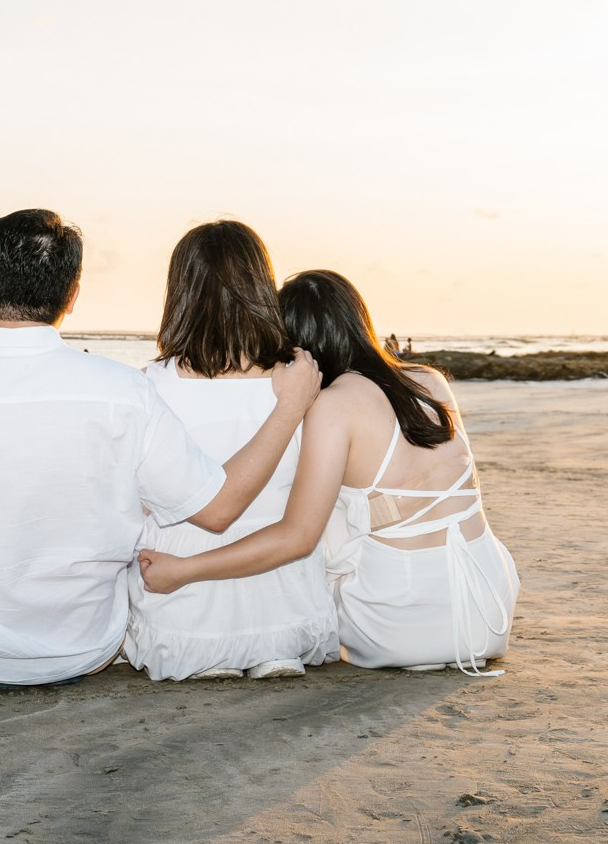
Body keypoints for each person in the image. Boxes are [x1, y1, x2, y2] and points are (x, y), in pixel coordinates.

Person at [0, 208, 320, 687]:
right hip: (88, 647)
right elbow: (218, 510)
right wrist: (289, 407)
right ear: (72, 296)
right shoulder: (127, 390)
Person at [140, 270, 517, 674]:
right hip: (487, 609)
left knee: (312, 511)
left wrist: (184, 571)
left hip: (399, 622)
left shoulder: (333, 407)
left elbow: (297, 538)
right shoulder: (430, 381)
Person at [124, 221, 338, 681]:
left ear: (180, 293)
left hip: (182, 619)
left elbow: (135, 504)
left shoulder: (151, 386)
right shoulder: (299, 380)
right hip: (285, 614)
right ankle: (268, 650)